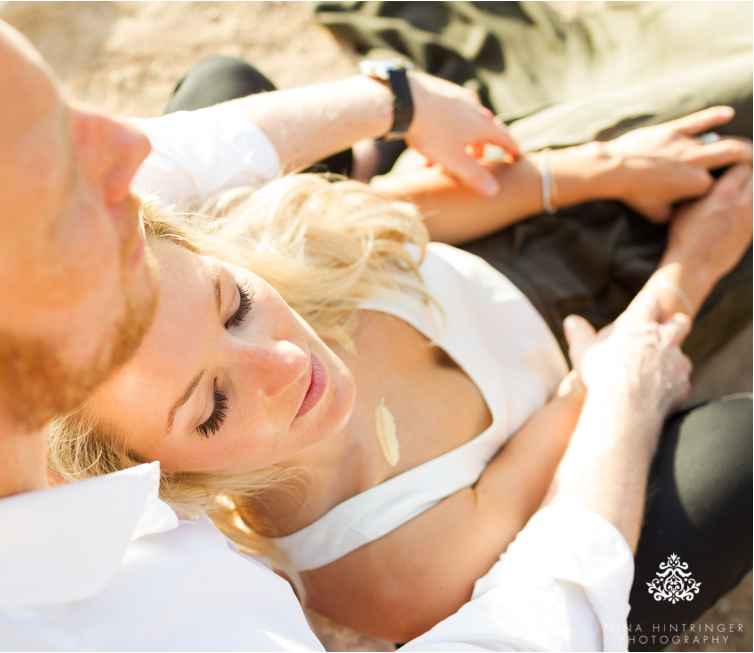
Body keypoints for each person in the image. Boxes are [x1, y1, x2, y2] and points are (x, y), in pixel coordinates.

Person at [0, 1, 733, 651]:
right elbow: (530, 627)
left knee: (223, 101)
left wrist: (395, 97)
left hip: (444, 299)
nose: (132, 145)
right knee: (730, 470)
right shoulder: (180, 623)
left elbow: (179, 176)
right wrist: (622, 403)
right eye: (51, 184)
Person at [51, 125, 753, 642]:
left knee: (713, 126)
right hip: (603, 336)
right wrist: (691, 267)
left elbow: (383, 218)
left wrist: (598, 169)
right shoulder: (393, 569)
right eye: (213, 406)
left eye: (235, 305)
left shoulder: (252, 259)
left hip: (492, 242)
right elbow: (601, 394)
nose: (288, 362)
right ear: (165, 481)